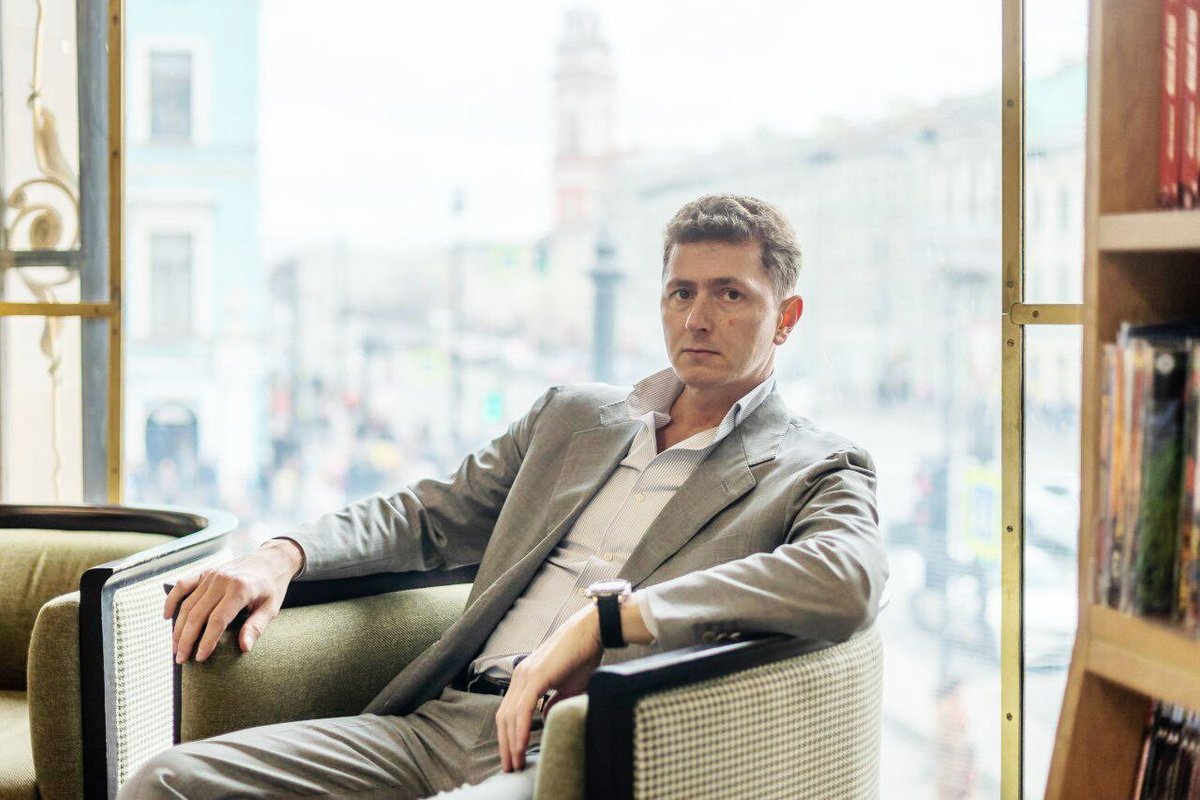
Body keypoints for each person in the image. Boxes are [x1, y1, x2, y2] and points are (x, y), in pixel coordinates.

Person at [121, 194, 889, 799]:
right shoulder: (573, 419)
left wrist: (612, 621)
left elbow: (848, 578)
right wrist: (283, 554)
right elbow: (427, 516)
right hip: (435, 725)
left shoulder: (815, 466)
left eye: (730, 295)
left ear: (786, 318)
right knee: (168, 782)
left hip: (573, 746)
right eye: (681, 291)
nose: (697, 317)